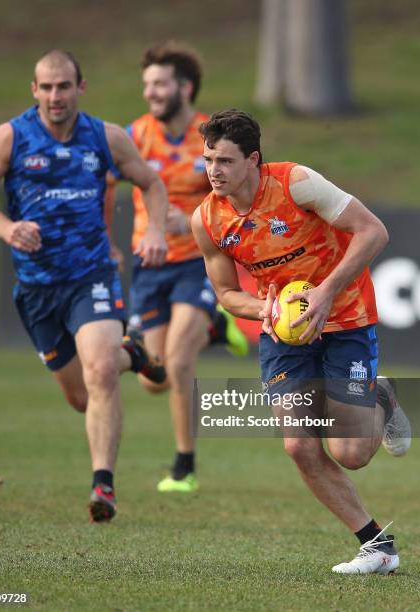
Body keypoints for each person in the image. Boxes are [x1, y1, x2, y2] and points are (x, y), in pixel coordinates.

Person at [191, 109, 411, 574]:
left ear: (253, 160)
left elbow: (373, 231)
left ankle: (383, 397)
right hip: (285, 335)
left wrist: (325, 294)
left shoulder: (297, 184)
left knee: (350, 454)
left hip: (346, 318)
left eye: (226, 161)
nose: (214, 170)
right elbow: (228, 295)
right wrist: (264, 310)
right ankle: (376, 545)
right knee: (299, 445)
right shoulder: (207, 219)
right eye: (209, 158)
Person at [0, 49, 170, 523]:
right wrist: (7, 228)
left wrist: (155, 231)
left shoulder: (105, 137)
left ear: (81, 87)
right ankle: (132, 353)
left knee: (99, 373)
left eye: (64, 86)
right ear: (34, 90)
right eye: (46, 87)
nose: (56, 96)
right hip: (37, 288)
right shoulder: (11, 137)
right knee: (81, 396)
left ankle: (104, 485)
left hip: (90, 275)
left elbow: (152, 184)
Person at [105, 42, 248, 493]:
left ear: (183, 88)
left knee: (181, 361)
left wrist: (186, 224)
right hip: (150, 267)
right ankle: (215, 330)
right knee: (155, 378)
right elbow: (104, 188)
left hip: (197, 263)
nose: (151, 92)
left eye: (160, 83)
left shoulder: (209, 139)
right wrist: (108, 243)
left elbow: (236, 197)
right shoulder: (134, 135)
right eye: (147, 84)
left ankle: (184, 466)